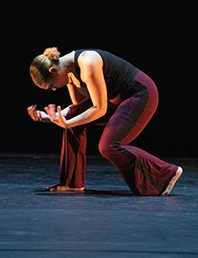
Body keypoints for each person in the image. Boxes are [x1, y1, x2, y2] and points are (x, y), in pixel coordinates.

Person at [27, 47, 182, 196]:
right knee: (72, 118)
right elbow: (78, 108)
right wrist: (49, 117)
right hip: (115, 100)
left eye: (52, 86)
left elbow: (99, 109)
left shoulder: (88, 62)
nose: (54, 90)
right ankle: (72, 183)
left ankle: (166, 173)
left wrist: (67, 123)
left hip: (140, 94)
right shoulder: (68, 74)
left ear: (53, 71)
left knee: (108, 146)